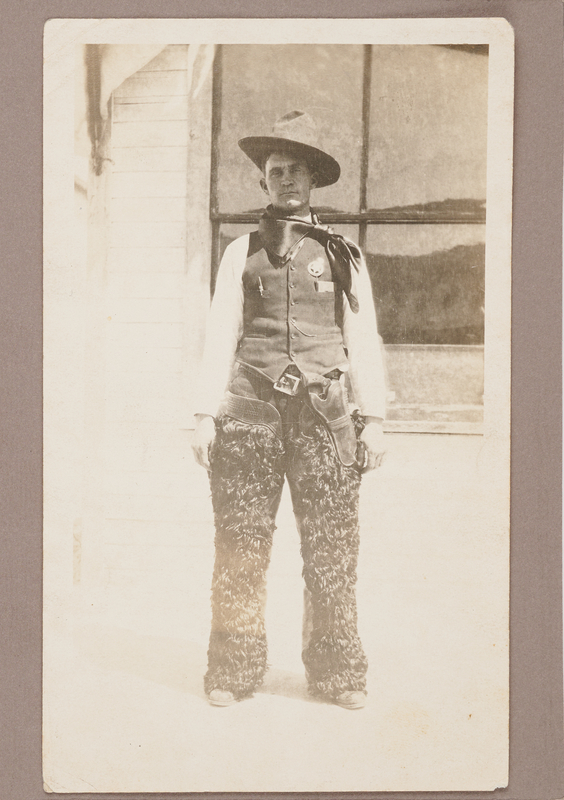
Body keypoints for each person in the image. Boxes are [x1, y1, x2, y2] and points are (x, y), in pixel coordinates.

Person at [192, 110, 387, 710]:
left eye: (296, 170)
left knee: (331, 547)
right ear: (262, 184)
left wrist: (374, 418)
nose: (286, 180)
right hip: (249, 413)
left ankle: (338, 674)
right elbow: (219, 333)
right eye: (275, 172)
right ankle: (234, 668)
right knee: (241, 543)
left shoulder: (345, 253)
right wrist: (204, 414)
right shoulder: (238, 253)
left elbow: (365, 336)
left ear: (313, 181)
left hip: (326, 418)